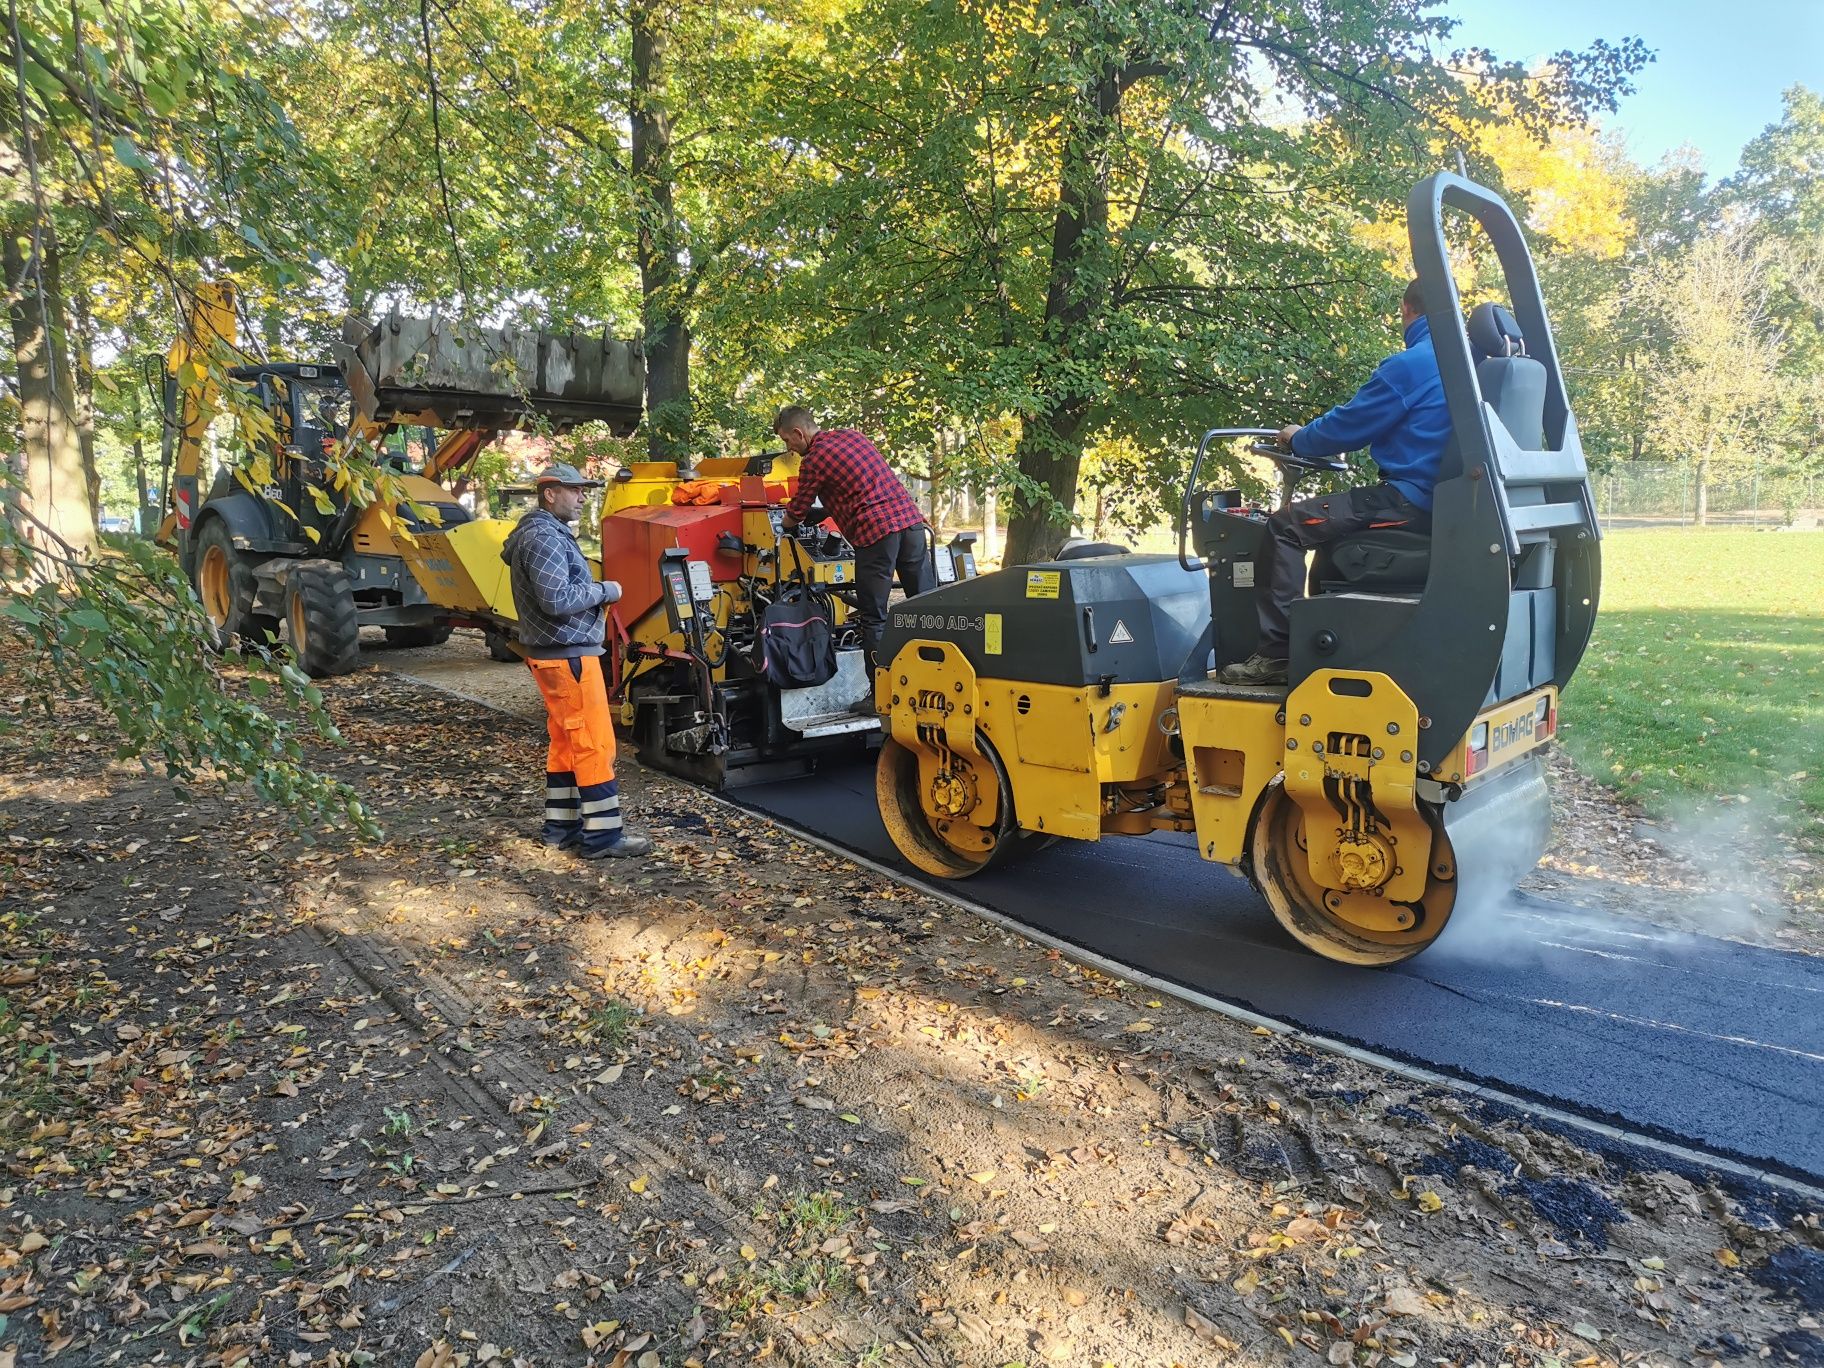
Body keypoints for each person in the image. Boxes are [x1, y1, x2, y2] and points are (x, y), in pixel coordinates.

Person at [1221, 277, 1450, 686]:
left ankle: (1275, 656)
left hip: (1405, 499)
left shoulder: (1414, 364)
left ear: (1406, 309)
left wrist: (1300, 438)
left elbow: (1347, 427)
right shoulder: (1464, 364)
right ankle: (1322, 641)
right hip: (1439, 502)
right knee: (1324, 533)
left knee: (1286, 525)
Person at [501, 463, 652, 859]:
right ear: (549, 494)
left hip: (554, 655)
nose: (583, 497)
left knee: (566, 745)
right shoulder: (545, 539)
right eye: (575, 490)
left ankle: (561, 829)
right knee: (594, 745)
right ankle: (604, 837)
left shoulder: (538, 534)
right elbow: (556, 600)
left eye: (585, 490)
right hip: (568, 657)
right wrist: (607, 590)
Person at [772, 406, 932, 691]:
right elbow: (861, 485)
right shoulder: (852, 437)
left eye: (787, 441)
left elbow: (797, 510)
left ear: (799, 433)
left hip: (877, 533)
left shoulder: (814, 460)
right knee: (927, 605)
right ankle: (933, 679)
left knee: (874, 616)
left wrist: (782, 525)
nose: (790, 448)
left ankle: (880, 695)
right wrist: (823, 514)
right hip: (911, 525)